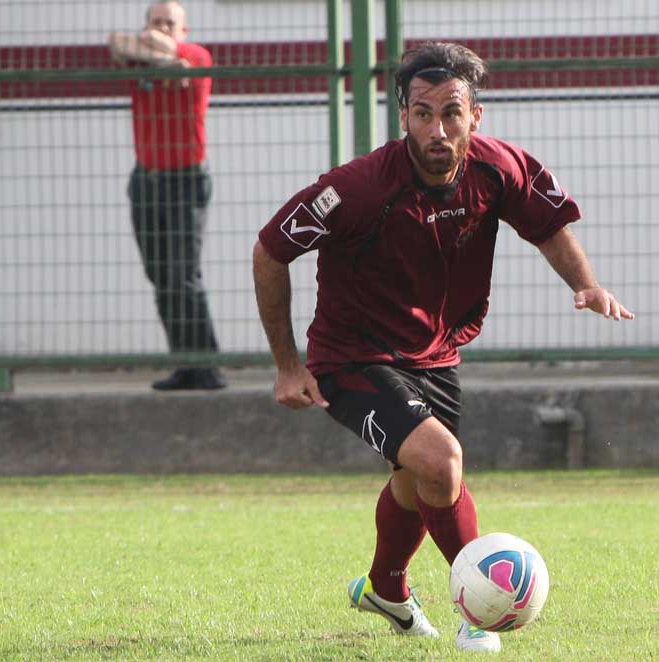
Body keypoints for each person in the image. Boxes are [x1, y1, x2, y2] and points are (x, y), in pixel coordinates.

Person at [252, 42, 632, 654]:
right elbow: (271, 250)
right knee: (442, 464)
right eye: (423, 113)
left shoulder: (498, 168)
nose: (438, 129)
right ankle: (481, 610)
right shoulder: (358, 189)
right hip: (351, 358)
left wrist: (586, 285)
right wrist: (287, 364)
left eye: (452, 113)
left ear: (474, 116)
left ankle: (385, 588)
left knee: (419, 483)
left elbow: (548, 226)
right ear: (402, 114)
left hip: (436, 354)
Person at [108, 1, 226, 390]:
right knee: (160, 276)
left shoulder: (197, 56)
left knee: (182, 275)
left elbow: (185, 61)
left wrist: (163, 52)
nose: (162, 29)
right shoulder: (142, 61)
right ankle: (185, 365)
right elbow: (116, 44)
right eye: (155, 22)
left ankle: (207, 366)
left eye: (170, 24)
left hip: (185, 180)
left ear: (184, 30)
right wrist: (160, 58)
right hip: (147, 180)